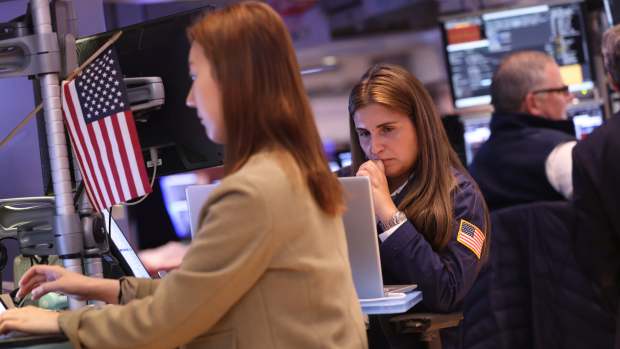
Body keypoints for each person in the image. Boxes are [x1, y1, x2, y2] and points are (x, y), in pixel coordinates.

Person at [0, 3, 368, 349]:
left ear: (235, 83)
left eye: (196, 76)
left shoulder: (254, 192)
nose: (190, 98)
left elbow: (167, 321)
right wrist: (96, 288)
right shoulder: (289, 171)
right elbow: (197, 292)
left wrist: (60, 323)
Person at [348, 63, 490, 349]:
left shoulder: (460, 196)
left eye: (387, 130)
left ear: (420, 126)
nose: (375, 147)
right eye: (364, 133)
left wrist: (388, 214)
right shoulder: (347, 195)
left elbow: (447, 291)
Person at [469, 51, 576, 211]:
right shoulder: (562, 154)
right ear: (533, 103)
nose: (569, 96)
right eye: (561, 90)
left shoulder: (476, 167)